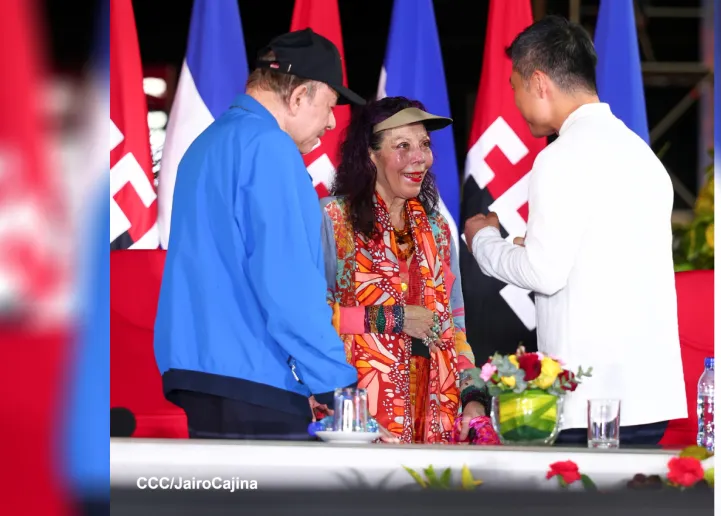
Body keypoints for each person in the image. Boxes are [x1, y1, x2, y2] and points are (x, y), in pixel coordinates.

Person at [464, 16, 687, 445]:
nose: (515, 101)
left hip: (591, 403)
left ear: (539, 82)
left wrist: (483, 241)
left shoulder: (560, 157)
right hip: (650, 399)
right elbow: (600, 255)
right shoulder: (643, 156)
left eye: (515, 86)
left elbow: (543, 273)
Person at [154, 28, 365, 440]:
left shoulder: (204, 145)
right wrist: (337, 385)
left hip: (196, 375)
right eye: (329, 105)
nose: (331, 121)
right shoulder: (270, 147)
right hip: (254, 381)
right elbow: (287, 282)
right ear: (299, 96)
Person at [320, 97, 489, 444]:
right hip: (355, 413)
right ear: (371, 154)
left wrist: (473, 397)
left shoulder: (437, 229)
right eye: (402, 146)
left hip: (432, 413)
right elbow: (308, 319)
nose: (420, 157)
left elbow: (455, 329)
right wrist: (393, 318)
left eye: (424, 144)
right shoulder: (332, 220)